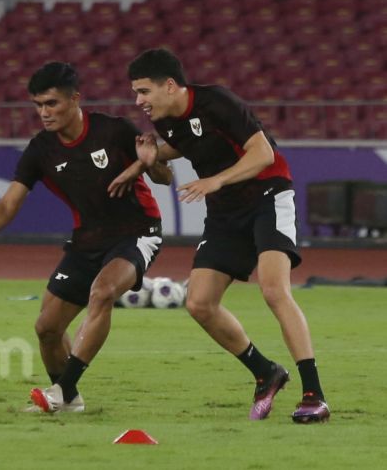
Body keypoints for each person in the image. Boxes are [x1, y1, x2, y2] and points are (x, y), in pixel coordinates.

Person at [0, 62, 171, 413]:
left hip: (137, 231)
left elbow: (164, 177)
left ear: (75, 99)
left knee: (104, 290)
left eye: (52, 104)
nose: (44, 113)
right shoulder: (41, 150)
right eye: (38, 105)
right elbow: (8, 205)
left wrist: (151, 161)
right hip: (86, 240)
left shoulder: (113, 131)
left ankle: (62, 390)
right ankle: (69, 402)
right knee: (47, 328)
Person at [127, 47, 329, 424]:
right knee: (199, 302)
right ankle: (266, 372)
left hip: (268, 194)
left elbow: (263, 153)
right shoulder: (167, 122)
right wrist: (151, 160)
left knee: (273, 289)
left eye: (143, 91)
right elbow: (166, 173)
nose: (138, 101)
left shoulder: (217, 102)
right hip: (225, 211)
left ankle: (313, 394)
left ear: (169, 86)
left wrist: (214, 179)